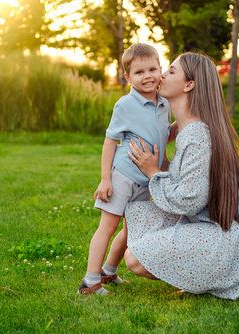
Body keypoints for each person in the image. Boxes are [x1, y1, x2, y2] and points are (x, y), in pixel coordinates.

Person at [124, 52, 239, 300]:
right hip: (219, 227)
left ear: (189, 85)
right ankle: (198, 274)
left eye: (171, 72)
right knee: (138, 215)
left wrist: (153, 172)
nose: (161, 75)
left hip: (227, 241)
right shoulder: (190, 127)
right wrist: (164, 163)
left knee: (135, 259)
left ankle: (212, 279)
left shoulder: (196, 134)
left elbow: (190, 200)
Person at [78, 43, 175, 295]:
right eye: (139, 72)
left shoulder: (164, 104)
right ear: (128, 77)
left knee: (131, 229)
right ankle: (89, 282)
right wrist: (105, 179)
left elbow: (162, 134)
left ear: (160, 69)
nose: (148, 76)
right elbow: (110, 141)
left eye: (152, 69)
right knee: (108, 226)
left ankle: (109, 272)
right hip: (122, 175)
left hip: (146, 180)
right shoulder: (125, 104)